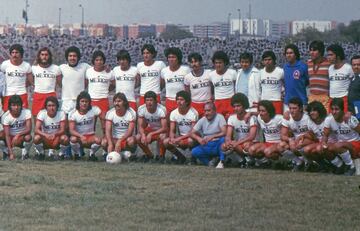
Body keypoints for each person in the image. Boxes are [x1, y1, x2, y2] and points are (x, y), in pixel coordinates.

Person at [322, 98, 360, 176]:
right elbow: (325, 135)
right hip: (340, 145)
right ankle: (340, 166)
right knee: (324, 148)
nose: (334, 112)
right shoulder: (329, 119)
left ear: (342, 110)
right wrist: (324, 144)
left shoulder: (350, 119)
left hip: (355, 143)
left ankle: (351, 166)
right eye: (332, 109)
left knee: (338, 145)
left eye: (337, 109)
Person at [222, 93, 258, 166]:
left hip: (252, 143)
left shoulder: (252, 118)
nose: (236, 108)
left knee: (246, 145)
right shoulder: (232, 118)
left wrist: (236, 143)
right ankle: (242, 161)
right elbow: (228, 135)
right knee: (223, 146)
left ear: (244, 105)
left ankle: (252, 159)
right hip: (239, 144)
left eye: (238, 106)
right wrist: (228, 142)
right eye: (234, 106)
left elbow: (252, 137)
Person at [163, 90, 198, 164]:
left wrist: (179, 138)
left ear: (187, 102)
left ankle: (193, 158)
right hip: (181, 137)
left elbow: (192, 132)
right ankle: (180, 157)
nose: (179, 101)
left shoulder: (193, 113)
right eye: (178, 99)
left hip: (193, 137)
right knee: (166, 141)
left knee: (190, 140)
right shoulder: (173, 113)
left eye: (181, 100)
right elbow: (172, 130)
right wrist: (172, 138)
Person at [85, 50, 115, 132]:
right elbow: (85, 84)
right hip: (91, 101)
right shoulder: (88, 71)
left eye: (101, 60)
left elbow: (114, 84)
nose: (99, 62)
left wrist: (108, 89)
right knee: (91, 126)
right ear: (93, 61)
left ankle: (106, 142)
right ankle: (92, 143)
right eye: (97, 60)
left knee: (105, 126)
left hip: (103, 100)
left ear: (104, 61)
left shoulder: (109, 72)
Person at [190, 102, 226, 168]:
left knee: (223, 140)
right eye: (205, 111)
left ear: (214, 111)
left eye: (209, 110)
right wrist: (199, 139)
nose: (206, 113)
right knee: (194, 151)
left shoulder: (220, 117)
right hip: (207, 144)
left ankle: (222, 161)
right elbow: (191, 133)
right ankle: (209, 163)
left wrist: (212, 136)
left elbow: (224, 132)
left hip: (218, 143)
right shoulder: (202, 120)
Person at [280, 97, 312, 171]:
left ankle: (310, 162)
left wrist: (302, 138)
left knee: (299, 144)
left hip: (308, 140)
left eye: (294, 108)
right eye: (290, 108)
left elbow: (313, 134)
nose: (292, 111)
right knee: (281, 146)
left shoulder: (307, 117)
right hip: (295, 142)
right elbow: (282, 135)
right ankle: (298, 162)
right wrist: (290, 140)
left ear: (301, 109)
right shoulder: (287, 118)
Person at [68, 91, 102, 161]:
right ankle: (77, 154)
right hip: (79, 138)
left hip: (90, 137)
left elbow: (104, 116)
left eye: (86, 101)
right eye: (82, 101)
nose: (84, 103)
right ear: (78, 102)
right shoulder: (73, 113)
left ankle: (92, 155)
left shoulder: (94, 110)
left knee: (98, 140)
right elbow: (71, 130)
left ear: (89, 102)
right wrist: (81, 136)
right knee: (72, 139)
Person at [248, 100, 283, 167]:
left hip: (278, 143)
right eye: (260, 110)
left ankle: (280, 162)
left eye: (263, 111)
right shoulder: (259, 118)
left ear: (269, 112)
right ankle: (265, 162)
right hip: (267, 143)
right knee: (251, 150)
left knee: (268, 152)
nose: (260, 113)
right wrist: (250, 113)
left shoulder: (278, 118)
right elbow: (256, 113)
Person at [102, 93, 137, 161]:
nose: (116, 103)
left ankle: (130, 153)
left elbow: (130, 132)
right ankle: (120, 154)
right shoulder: (110, 113)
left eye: (119, 101)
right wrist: (110, 143)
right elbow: (108, 130)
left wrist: (120, 141)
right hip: (115, 139)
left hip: (125, 140)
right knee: (104, 142)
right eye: (115, 101)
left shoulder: (131, 113)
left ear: (124, 102)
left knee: (131, 141)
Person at [136, 91, 167, 163]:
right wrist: (143, 135)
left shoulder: (161, 109)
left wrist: (151, 134)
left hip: (161, 130)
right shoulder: (141, 109)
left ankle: (161, 156)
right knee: (138, 137)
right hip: (150, 129)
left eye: (151, 100)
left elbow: (165, 128)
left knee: (163, 136)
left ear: (155, 101)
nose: (149, 102)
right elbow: (140, 126)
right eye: (147, 100)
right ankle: (149, 155)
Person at [0, 44, 33, 110]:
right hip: (8, 93)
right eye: (13, 52)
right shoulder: (4, 64)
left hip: (21, 93)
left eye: (17, 52)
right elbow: (1, 79)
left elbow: (31, 81)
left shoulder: (26, 66)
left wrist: (22, 85)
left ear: (21, 54)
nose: (14, 55)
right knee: (7, 115)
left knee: (22, 115)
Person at [59, 46, 90, 114]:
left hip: (80, 102)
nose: (72, 58)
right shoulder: (62, 67)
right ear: (67, 57)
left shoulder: (84, 66)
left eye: (74, 56)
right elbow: (58, 80)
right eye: (70, 56)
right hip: (66, 101)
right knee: (66, 124)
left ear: (78, 57)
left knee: (80, 123)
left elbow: (95, 71)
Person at [31, 47, 61, 117]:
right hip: (38, 94)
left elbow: (60, 84)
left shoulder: (56, 68)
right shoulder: (33, 68)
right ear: (39, 56)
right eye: (42, 54)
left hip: (51, 94)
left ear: (50, 56)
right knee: (36, 117)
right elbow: (29, 81)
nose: (44, 57)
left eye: (46, 55)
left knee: (52, 118)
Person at [161, 47, 190, 116]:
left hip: (183, 101)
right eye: (169, 57)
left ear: (178, 58)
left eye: (173, 57)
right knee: (170, 123)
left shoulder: (186, 70)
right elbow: (161, 86)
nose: (171, 59)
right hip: (169, 101)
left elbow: (188, 87)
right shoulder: (164, 71)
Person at [1, 95, 32, 160]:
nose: (16, 107)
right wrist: (11, 153)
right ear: (9, 106)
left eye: (18, 105)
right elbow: (7, 135)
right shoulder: (6, 116)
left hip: (21, 137)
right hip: (10, 137)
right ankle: (6, 151)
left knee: (28, 137)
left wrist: (18, 135)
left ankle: (25, 153)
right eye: (14, 105)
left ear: (21, 105)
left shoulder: (26, 112)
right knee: (1, 135)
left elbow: (29, 129)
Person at [209, 50, 236, 119]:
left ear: (225, 62)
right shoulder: (211, 75)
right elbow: (212, 90)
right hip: (218, 102)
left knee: (231, 123)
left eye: (220, 62)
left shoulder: (232, 73)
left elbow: (236, 88)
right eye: (216, 63)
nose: (218, 65)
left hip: (230, 100)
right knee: (220, 125)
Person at [184, 52, 213, 117]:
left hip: (207, 104)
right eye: (192, 62)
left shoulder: (209, 73)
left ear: (201, 62)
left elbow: (213, 89)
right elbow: (187, 93)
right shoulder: (187, 77)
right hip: (194, 105)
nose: (194, 64)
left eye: (196, 61)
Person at [327, 44, 354, 112]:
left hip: (343, 99)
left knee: (343, 121)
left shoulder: (348, 68)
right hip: (332, 99)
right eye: (328, 55)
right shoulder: (330, 68)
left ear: (338, 55)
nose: (328, 57)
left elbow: (353, 83)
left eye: (331, 55)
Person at [307, 40, 331, 109]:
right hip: (312, 98)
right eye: (310, 50)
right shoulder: (308, 63)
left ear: (320, 51)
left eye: (314, 50)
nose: (311, 52)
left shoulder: (328, 64)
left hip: (325, 99)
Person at [283, 44, 309, 108]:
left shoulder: (303, 66)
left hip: (301, 102)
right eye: (287, 53)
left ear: (296, 54)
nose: (289, 55)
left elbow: (307, 82)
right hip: (287, 103)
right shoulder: (285, 67)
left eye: (291, 53)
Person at [259, 50, 284, 115]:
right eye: (265, 60)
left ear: (274, 60)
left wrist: (284, 93)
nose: (267, 62)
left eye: (269, 59)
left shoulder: (280, 71)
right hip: (264, 101)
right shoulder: (260, 72)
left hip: (277, 101)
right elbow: (258, 88)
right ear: (263, 61)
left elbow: (287, 84)